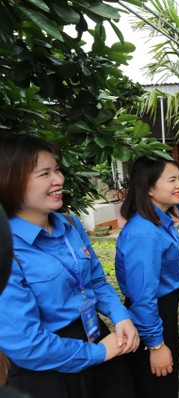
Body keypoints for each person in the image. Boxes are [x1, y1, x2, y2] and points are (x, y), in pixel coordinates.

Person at [0, 134, 138, 397]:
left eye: (57, 170)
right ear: (11, 179)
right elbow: (25, 343)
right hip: (51, 366)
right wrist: (98, 352)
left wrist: (120, 316)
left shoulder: (70, 225)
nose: (59, 180)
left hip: (97, 335)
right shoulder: (7, 248)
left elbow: (96, 281)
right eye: (45, 174)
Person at [115, 157, 179, 398]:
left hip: (161, 310)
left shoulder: (159, 222)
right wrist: (155, 344)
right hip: (152, 314)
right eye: (172, 179)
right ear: (150, 189)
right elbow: (142, 296)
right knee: (157, 385)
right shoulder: (144, 233)